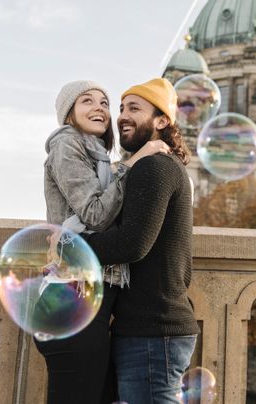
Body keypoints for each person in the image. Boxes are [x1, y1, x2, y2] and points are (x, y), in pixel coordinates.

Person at [39, 80, 169, 404]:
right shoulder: (66, 144)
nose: (99, 107)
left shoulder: (98, 157)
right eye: (87, 101)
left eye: (104, 103)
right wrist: (136, 160)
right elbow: (96, 215)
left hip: (88, 295)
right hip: (72, 295)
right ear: (69, 113)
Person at [86, 77, 199, 404]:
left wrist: (73, 246)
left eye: (134, 109)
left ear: (162, 121)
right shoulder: (163, 165)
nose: (122, 116)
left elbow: (132, 244)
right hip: (153, 329)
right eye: (122, 108)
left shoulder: (154, 167)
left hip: (152, 332)